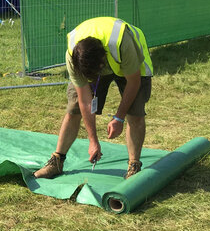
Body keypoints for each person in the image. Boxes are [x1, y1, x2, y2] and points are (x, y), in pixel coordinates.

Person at [34, 17, 154, 180]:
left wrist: (118, 118)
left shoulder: (122, 43)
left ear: (103, 61)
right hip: (94, 60)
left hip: (129, 63)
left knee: (135, 113)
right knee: (73, 109)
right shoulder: (73, 56)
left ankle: (134, 165)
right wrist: (93, 141)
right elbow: (84, 100)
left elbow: (134, 82)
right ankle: (57, 160)